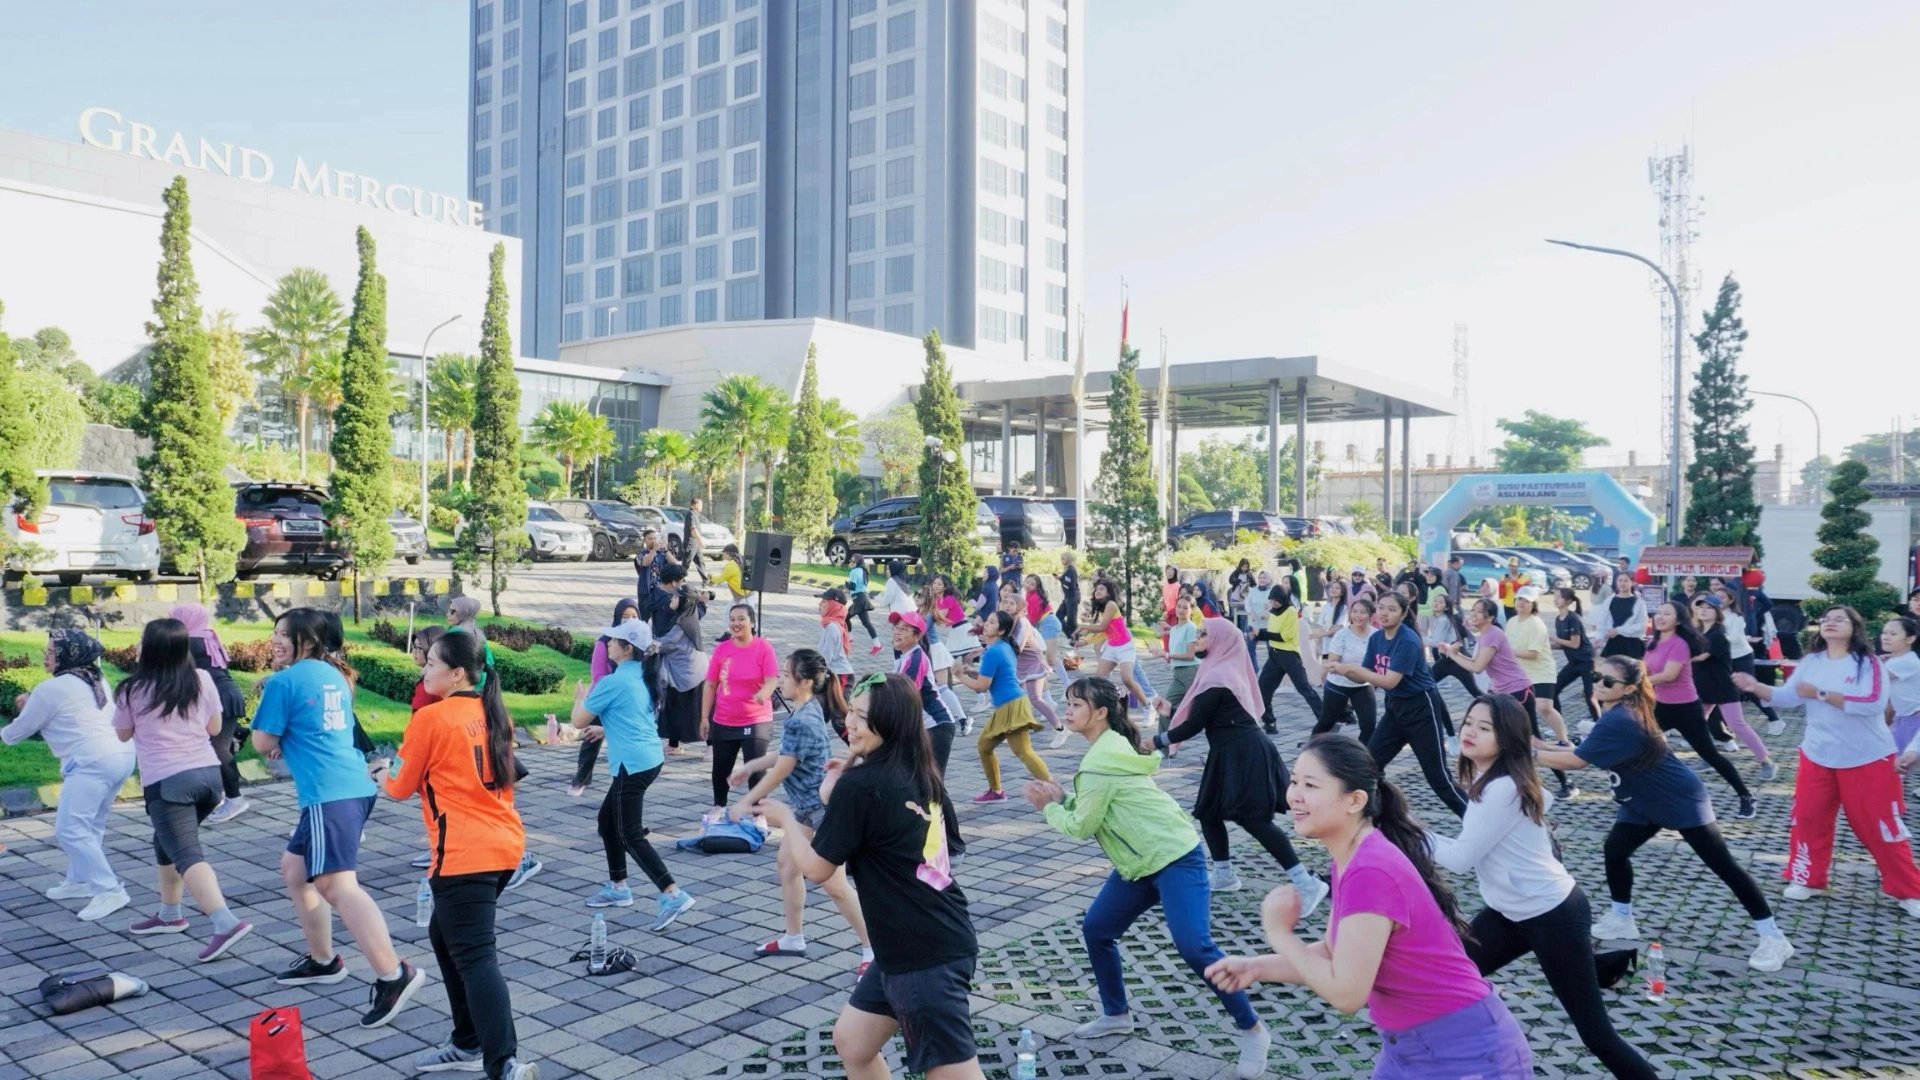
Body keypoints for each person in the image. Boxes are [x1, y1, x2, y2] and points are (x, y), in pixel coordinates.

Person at [1204, 734, 1533, 1080]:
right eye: (1294, 781)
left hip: (1467, 1054)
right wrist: (1256, 967)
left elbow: (1347, 993)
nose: (1295, 795)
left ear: (1355, 800)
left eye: (1311, 785)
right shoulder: (1351, 857)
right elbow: (1337, 953)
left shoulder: (1371, 870)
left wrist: (1280, 935)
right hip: (1411, 1048)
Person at [1028, 677, 1273, 1079]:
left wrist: (1049, 806)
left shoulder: (1099, 761)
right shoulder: (1109, 748)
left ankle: (1253, 1029)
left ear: (1101, 713)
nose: (1067, 710)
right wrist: (1065, 799)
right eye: (1067, 704)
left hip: (1175, 857)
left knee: (1195, 946)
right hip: (1138, 864)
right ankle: (1116, 1014)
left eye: (1075, 705)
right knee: (1097, 929)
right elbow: (1098, 807)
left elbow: (1082, 827)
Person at [763, 673, 983, 1080]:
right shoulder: (918, 769)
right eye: (851, 712)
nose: (850, 723)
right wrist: (836, 792)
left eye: (863, 718)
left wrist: (786, 820)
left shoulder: (862, 786)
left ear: (891, 724)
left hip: (922, 955)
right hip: (923, 939)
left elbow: (815, 869)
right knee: (852, 1042)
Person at [1430, 695, 1659, 1079]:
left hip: (1551, 915)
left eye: (1485, 728)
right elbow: (1543, 799)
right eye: (1468, 722)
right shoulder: (1499, 779)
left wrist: (1406, 832)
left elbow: (1460, 858)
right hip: (1510, 912)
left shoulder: (1501, 788)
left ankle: (1596, 969)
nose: (1470, 732)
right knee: (1448, 976)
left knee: (1597, 1035)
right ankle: (1465, 1056)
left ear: (1508, 739)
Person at [1535, 656, 1796, 970]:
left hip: (1680, 799)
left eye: (1607, 681)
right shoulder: (1617, 712)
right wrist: (1538, 747)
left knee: (1724, 867)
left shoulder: (1620, 719)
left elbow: (1577, 762)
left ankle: (1774, 938)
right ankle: (1622, 918)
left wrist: (1530, 753)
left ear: (1629, 689)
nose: (1597, 684)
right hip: (1643, 799)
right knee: (1615, 850)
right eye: (1595, 676)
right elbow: (1581, 751)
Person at [254, 610, 424, 1026]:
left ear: (308, 641)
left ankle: (394, 974)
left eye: (283, 635)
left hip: (330, 796)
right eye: (274, 633)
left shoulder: (284, 681)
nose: (275, 640)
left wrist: (278, 736)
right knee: (296, 870)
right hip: (353, 787)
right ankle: (324, 961)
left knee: (335, 884)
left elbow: (261, 742)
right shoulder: (334, 674)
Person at [385, 631, 540, 1080]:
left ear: (456, 674)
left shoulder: (432, 719)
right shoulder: (492, 712)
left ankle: (502, 1062)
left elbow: (397, 786)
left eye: (430, 663)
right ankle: (467, 1041)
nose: (423, 670)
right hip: (504, 847)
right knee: (444, 935)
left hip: (464, 856)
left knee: (475, 957)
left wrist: (381, 773)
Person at [1734, 605, 1920, 913]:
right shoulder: (1812, 662)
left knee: (1880, 825)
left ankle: (1909, 890)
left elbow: (1871, 704)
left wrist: (1821, 694)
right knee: (1808, 818)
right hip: (1818, 754)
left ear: (1855, 627)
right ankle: (1807, 877)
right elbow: (1789, 697)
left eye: (1840, 619)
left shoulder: (1868, 663)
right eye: (1826, 619)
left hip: (1868, 756)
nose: (1830, 623)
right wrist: (1758, 688)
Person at [1155, 618, 1329, 909]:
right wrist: (1172, 709)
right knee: (1209, 812)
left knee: (1253, 819)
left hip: (1244, 753)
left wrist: (1156, 741)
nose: (1197, 638)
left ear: (1220, 641)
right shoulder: (1219, 671)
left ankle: (1307, 884)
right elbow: (1209, 715)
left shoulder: (1218, 677)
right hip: (1229, 751)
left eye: (1203, 634)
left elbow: (1194, 725)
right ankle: (1224, 874)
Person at [114, 618, 253, 959]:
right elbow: (214, 726)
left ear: (148, 649)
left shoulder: (132, 689)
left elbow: (122, 734)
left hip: (168, 782)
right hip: (209, 777)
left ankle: (225, 922)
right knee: (166, 843)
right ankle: (170, 914)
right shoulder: (202, 678)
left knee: (187, 853)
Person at [730, 649, 873, 973]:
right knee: (787, 866)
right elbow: (784, 755)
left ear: (804, 681)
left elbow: (781, 769)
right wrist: (752, 763)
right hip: (809, 809)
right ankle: (793, 937)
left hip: (822, 812)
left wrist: (744, 802)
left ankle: (874, 951)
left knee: (835, 886)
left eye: (785, 674)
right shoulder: (807, 711)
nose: (781, 680)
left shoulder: (803, 718)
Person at [574, 620, 698, 929]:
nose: (608, 644)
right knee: (607, 821)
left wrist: (580, 695)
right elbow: (633, 714)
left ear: (627, 648)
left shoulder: (614, 682)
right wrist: (606, 726)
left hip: (633, 764)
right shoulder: (641, 675)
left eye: (614, 641)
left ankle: (673, 894)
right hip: (646, 759)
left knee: (629, 833)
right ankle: (619, 888)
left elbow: (578, 719)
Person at [5, 630, 137, 921]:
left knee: (70, 829)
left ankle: (109, 889)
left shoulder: (52, 689)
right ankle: (78, 881)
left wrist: (12, 726)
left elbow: (19, 731)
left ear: (68, 655)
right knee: (91, 825)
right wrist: (35, 705)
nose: (45, 656)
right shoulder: (95, 678)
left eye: (51, 652)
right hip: (122, 756)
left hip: (93, 761)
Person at [1327, 592, 1469, 817]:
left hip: (1421, 708)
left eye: (1391, 609)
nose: (1384, 613)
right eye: (1381, 607)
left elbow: (1390, 680)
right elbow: (1367, 677)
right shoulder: (1376, 639)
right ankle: (1382, 819)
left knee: (1438, 778)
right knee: (1370, 767)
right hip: (1395, 709)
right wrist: (1342, 670)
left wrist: (1353, 669)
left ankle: (1474, 820)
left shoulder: (1408, 640)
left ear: (1403, 614)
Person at [1440, 598, 1574, 800]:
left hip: (1517, 692)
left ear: (1491, 617)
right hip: (1500, 692)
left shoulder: (1493, 634)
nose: (1473, 614)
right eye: (1472, 610)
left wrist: (1453, 654)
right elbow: (1477, 663)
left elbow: (1476, 667)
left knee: (1531, 741)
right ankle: (1488, 780)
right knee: (1496, 737)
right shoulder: (1485, 635)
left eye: (1479, 611)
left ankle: (1567, 781)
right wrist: (1453, 654)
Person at [1647, 600, 1756, 816]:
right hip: (1661, 707)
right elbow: (1644, 667)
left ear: (1678, 620)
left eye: (1666, 613)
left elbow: (1669, 675)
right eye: (1658, 613)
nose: (1660, 617)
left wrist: (1639, 682)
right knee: (1641, 745)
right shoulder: (1653, 642)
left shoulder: (1680, 644)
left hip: (1686, 709)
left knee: (1710, 755)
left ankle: (1746, 795)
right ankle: (1648, 793)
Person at [957, 611, 1052, 802]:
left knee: (1023, 751)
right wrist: (972, 671)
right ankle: (996, 791)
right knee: (985, 745)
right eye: (987, 620)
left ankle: (1055, 790)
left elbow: (982, 686)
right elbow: (994, 678)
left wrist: (960, 675)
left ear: (1001, 630)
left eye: (992, 622)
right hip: (1010, 704)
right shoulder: (1002, 646)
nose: (986, 624)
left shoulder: (993, 651)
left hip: (1012, 705)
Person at [703, 603, 779, 824]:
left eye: (741, 619)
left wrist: (763, 694)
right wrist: (703, 717)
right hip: (724, 719)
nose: (736, 623)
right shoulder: (722, 650)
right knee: (721, 768)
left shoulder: (763, 648)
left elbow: (772, 679)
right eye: (732, 619)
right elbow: (710, 685)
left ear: (752, 623)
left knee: (755, 769)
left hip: (756, 719)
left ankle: (758, 813)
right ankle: (719, 806)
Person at [175, 605, 250, 825]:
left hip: (219, 697)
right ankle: (217, 795)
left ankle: (235, 798)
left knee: (218, 749)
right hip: (225, 693)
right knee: (212, 746)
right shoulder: (206, 636)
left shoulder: (188, 641)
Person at [1693, 594, 1779, 780]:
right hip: (1703, 687)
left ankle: (1766, 761)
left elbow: (1700, 657)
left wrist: (1675, 658)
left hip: (1723, 687)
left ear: (1717, 612)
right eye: (1701, 607)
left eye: (1708, 608)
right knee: (1698, 724)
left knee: (1737, 724)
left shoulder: (1718, 634)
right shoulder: (1699, 633)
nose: (1703, 610)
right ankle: (1708, 758)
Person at [572, 597, 639, 794]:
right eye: (625, 616)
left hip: (627, 698)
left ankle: (629, 775)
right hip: (605, 695)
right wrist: (613, 688)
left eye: (634, 616)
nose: (629, 620)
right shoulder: (605, 642)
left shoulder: (640, 643)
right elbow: (598, 674)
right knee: (592, 736)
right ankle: (581, 779)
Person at [1712, 579, 1785, 736]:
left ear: (1731, 600)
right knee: (1719, 690)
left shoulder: (1736, 617)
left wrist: (1714, 640)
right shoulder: (1710, 616)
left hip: (1740, 656)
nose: (1719, 600)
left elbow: (1735, 638)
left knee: (1749, 689)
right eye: (1716, 596)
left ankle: (1774, 719)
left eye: (1722, 597)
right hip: (1722, 658)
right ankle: (1722, 728)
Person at [890, 612, 960, 773]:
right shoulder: (903, 654)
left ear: (917, 636)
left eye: (904, 629)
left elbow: (904, 698)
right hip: (921, 728)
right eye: (896, 627)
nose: (897, 632)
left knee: (932, 785)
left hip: (937, 727)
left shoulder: (916, 659)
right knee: (918, 781)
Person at [1251, 584, 1324, 734]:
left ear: (1284, 599)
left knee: (1305, 689)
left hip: (1289, 656)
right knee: (1263, 689)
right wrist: (1259, 634)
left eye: (1277, 600)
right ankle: (1269, 722)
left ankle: (1326, 721)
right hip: (1274, 655)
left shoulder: (1291, 611)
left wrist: (1261, 635)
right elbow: (1272, 632)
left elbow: (1285, 636)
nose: (1274, 603)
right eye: (1272, 600)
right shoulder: (1273, 612)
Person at [1077, 578, 1154, 717]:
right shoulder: (1102, 609)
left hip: (1125, 647)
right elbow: (1104, 632)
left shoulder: (1111, 605)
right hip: (1112, 647)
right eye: (1096, 589)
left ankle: (1148, 707)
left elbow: (1102, 627)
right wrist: (1084, 642)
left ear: (1108, 593)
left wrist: (1083, 626)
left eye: (1101, 589)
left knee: (1127, 679)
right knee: (1099, 680)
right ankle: (1113, 704)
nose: (1097, 591)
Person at [1507, 588, 1570, 747]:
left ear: (1532, 604)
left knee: (1544, 707)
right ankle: (1529, 741)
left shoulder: (1536, 623)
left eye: (1526, 600)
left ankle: (1564, 740)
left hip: (1542, 671)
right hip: (1521, 674)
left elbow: (1532, 653)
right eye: (1519, 599)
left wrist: (1509, 652)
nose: (1521, 602)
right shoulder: (1512, 622)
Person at [1317, 598, 1378, 744]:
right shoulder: (1342, 634)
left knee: (1369, 725)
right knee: (1326, 722)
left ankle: (1362, 756)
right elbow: (1333, 663)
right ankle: (1312, 750)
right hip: (1338, 684)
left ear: (1370, 615)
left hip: (1363, 686)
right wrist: (1352, 671)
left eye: (1363, 612)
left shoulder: (1376, 635)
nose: (1358, 615)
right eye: (1355, 611)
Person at [1548, 587, 1600, 733]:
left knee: (1591, 696)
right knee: (1554, 690)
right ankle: (1559, 725)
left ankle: (1600, 726)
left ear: (1568, 601)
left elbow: (1575, 643)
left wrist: (1557, 639)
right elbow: (1562, 643)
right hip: (1573, 663)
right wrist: (1547, 646)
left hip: (1586, 661)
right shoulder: (1558, 619)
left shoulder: (1573, 618)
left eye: (1559, 597)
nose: (1555, 599)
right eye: (1555, 596)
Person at [1424, 592, 1478, 702]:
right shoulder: (1438, 618)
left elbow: (1437, 641)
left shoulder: (1444, 619)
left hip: (1457, 659)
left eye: (1440, 602)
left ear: (1447, 607)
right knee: (1426, 684)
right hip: (1446, 660)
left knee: (1475, 691)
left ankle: (1497, 707)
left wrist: (1420, 638)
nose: (1436, 603)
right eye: (1435, 601)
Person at [1885, 616, 1920, 772]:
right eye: (1884, 632)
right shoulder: (1897, 660)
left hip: (1915, 720)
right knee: (1895, 762)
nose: (1886, 637)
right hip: (1903, 719)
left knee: (1903, 761)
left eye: (1893, 634)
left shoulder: (1906, 662)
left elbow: (1873, 679)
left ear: (1910, 639)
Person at [1593, 572, 1649, 660]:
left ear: (1633, 583)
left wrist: (1619, 631)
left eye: (1626, 581)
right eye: (1620, 580)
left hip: (1632, 644)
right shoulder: (1609, 601)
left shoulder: (1639, 603)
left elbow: (1642, 626)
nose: (1622, 583)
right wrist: (1600, 637)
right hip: (1614, 642)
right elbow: (1602, 622)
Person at [1164, 593, 1202, 712]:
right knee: (1166, 705)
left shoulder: (1191, 627)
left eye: (1185, 608)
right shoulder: (1174, 629)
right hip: (1177, 673)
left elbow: (1190, 655)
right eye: (1179, 606)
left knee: (1198, 708)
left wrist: (1167, 655)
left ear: (1192, 610)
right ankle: (1164, 731)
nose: (1181, 610)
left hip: (1190, 672)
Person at [818, 587, 856, 690]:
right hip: (833, 674)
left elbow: (826, 657)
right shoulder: (831, 625)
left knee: (839, 706)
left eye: (824, 602)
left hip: (841, 675)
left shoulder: (832, 627)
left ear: (833, 606)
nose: (819, 604)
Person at [846, 556, 883, 654]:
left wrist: (847, 585)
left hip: (859, 599)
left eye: (853, 561)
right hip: (863, 598)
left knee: (845, 617)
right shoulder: (863, 570)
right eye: (851, 560)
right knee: (867, 623)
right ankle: (877, 644)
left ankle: (849, 638)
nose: (851, 562)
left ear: (857, 562)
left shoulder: (854, 572)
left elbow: (853, 586)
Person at [685, 496, 710, 582]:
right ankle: (679, 579)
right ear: (695, 505)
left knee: (700, 561)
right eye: (701, 505)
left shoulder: (696, 515)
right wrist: (701, 540)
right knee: (686, 562)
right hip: (691, 543)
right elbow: (693, 530)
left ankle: (705, 580)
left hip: (696, 543)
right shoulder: (691, 514)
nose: (701, 507)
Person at [1059, 549, 1082, 640]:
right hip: (1068, 597)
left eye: (1063, 559)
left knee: (1071, 620)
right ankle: (1070, 634)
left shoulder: (1071, 570)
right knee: (1058, 616)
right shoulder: (1068, 570)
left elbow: (1069, 585)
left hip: (1072, 596)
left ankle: (1074, 638)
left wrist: (1060, 579)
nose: (1062, 561)